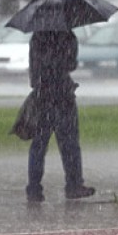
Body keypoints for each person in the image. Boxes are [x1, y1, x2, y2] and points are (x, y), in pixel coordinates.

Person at [26, 30, 95, 202]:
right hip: (63, 95)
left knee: (39, 144)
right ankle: (73, 185)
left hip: (42, 95)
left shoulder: (37, 36)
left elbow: (33, 69)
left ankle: (34, 189)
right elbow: (71, 65)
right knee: (69, 143)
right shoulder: (68, 36)